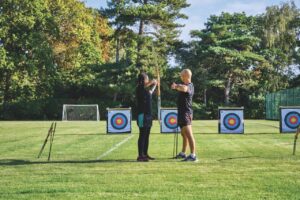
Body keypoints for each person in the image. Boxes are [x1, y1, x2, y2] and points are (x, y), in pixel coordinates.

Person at [171, 69, 197, 162]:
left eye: (182, 75)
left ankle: (193, 155)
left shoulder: (189, 86)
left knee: (189, 134)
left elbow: (184, 88)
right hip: (182, 113)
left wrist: (176, 86)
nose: (180, 77)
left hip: (186, 113)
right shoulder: (185, 85)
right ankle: (183, 153)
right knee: (183, 134)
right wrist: (177, 86)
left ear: (186, 76)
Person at [136, 72, 157, 162]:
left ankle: (145, 154)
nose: (148, 80)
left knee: (147, 135)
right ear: (143, 80)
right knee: (142, 135)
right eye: (147, 79)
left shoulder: (146, 90)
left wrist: (155, 85)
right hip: (142, 115)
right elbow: (145, 86)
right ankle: (140, 155)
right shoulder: (139, 88)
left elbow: (151, 92)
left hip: (148, 115)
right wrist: (152, 81)